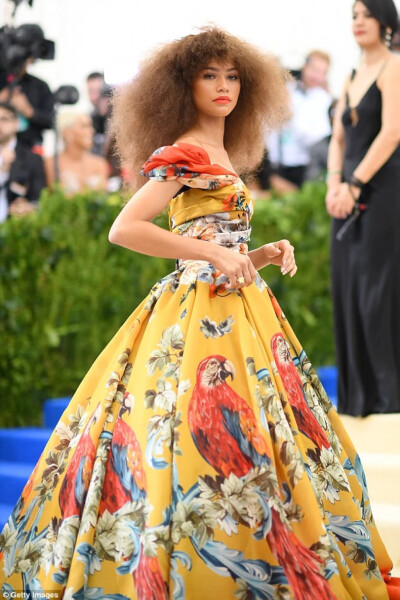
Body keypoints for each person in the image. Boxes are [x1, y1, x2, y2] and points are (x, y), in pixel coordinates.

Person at [1, 27, 399, 600]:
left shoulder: (226, 155)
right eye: (209, 75)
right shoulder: (184, 151)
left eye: (233, 76)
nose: (223, 86)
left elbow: (217, 240)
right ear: (183, 86)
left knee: (271, 443)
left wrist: (257, 254)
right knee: (189, 436)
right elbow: (126, 229)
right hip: (195, 316)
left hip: (243, 310)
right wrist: (210, 252)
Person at [326, 0, 400, 417]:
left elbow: (392, 133)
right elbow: (338, 138)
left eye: (366, 15)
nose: (358, 22)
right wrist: (334, 181)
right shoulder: (351, 75)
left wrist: (354, 184)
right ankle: (359, 401)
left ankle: (390, 400)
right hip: (346, 194)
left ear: (385, 23)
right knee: (349, 287)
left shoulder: (395, 67)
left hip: (383, 191)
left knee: (378, 292)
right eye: (353, 15)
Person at [267, 50, 333, 187]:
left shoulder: (324, 100)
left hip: (302, 164)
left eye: (322, 72)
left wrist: (292, 119)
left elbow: (317, 139)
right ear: (305, 66)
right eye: (314, 69)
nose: (316, 76)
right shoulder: (287, 89)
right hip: (276, 161)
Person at [0, 102, 46, 222]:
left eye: (4, 119)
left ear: (16, 123)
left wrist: (27, 207)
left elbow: (38, 198)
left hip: (15, 227)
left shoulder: (32, 159)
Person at [45, 111, 109, 194]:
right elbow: (54, 196)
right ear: (67, 133)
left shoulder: (100, 163)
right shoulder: (52, 163)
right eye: (84, 126)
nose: (92, 131)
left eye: (90, 126)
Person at [305, 99, 338, 182]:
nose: (338, 117)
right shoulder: (318, 149)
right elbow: (314, 177)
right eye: (335, 112)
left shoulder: (360, 146)